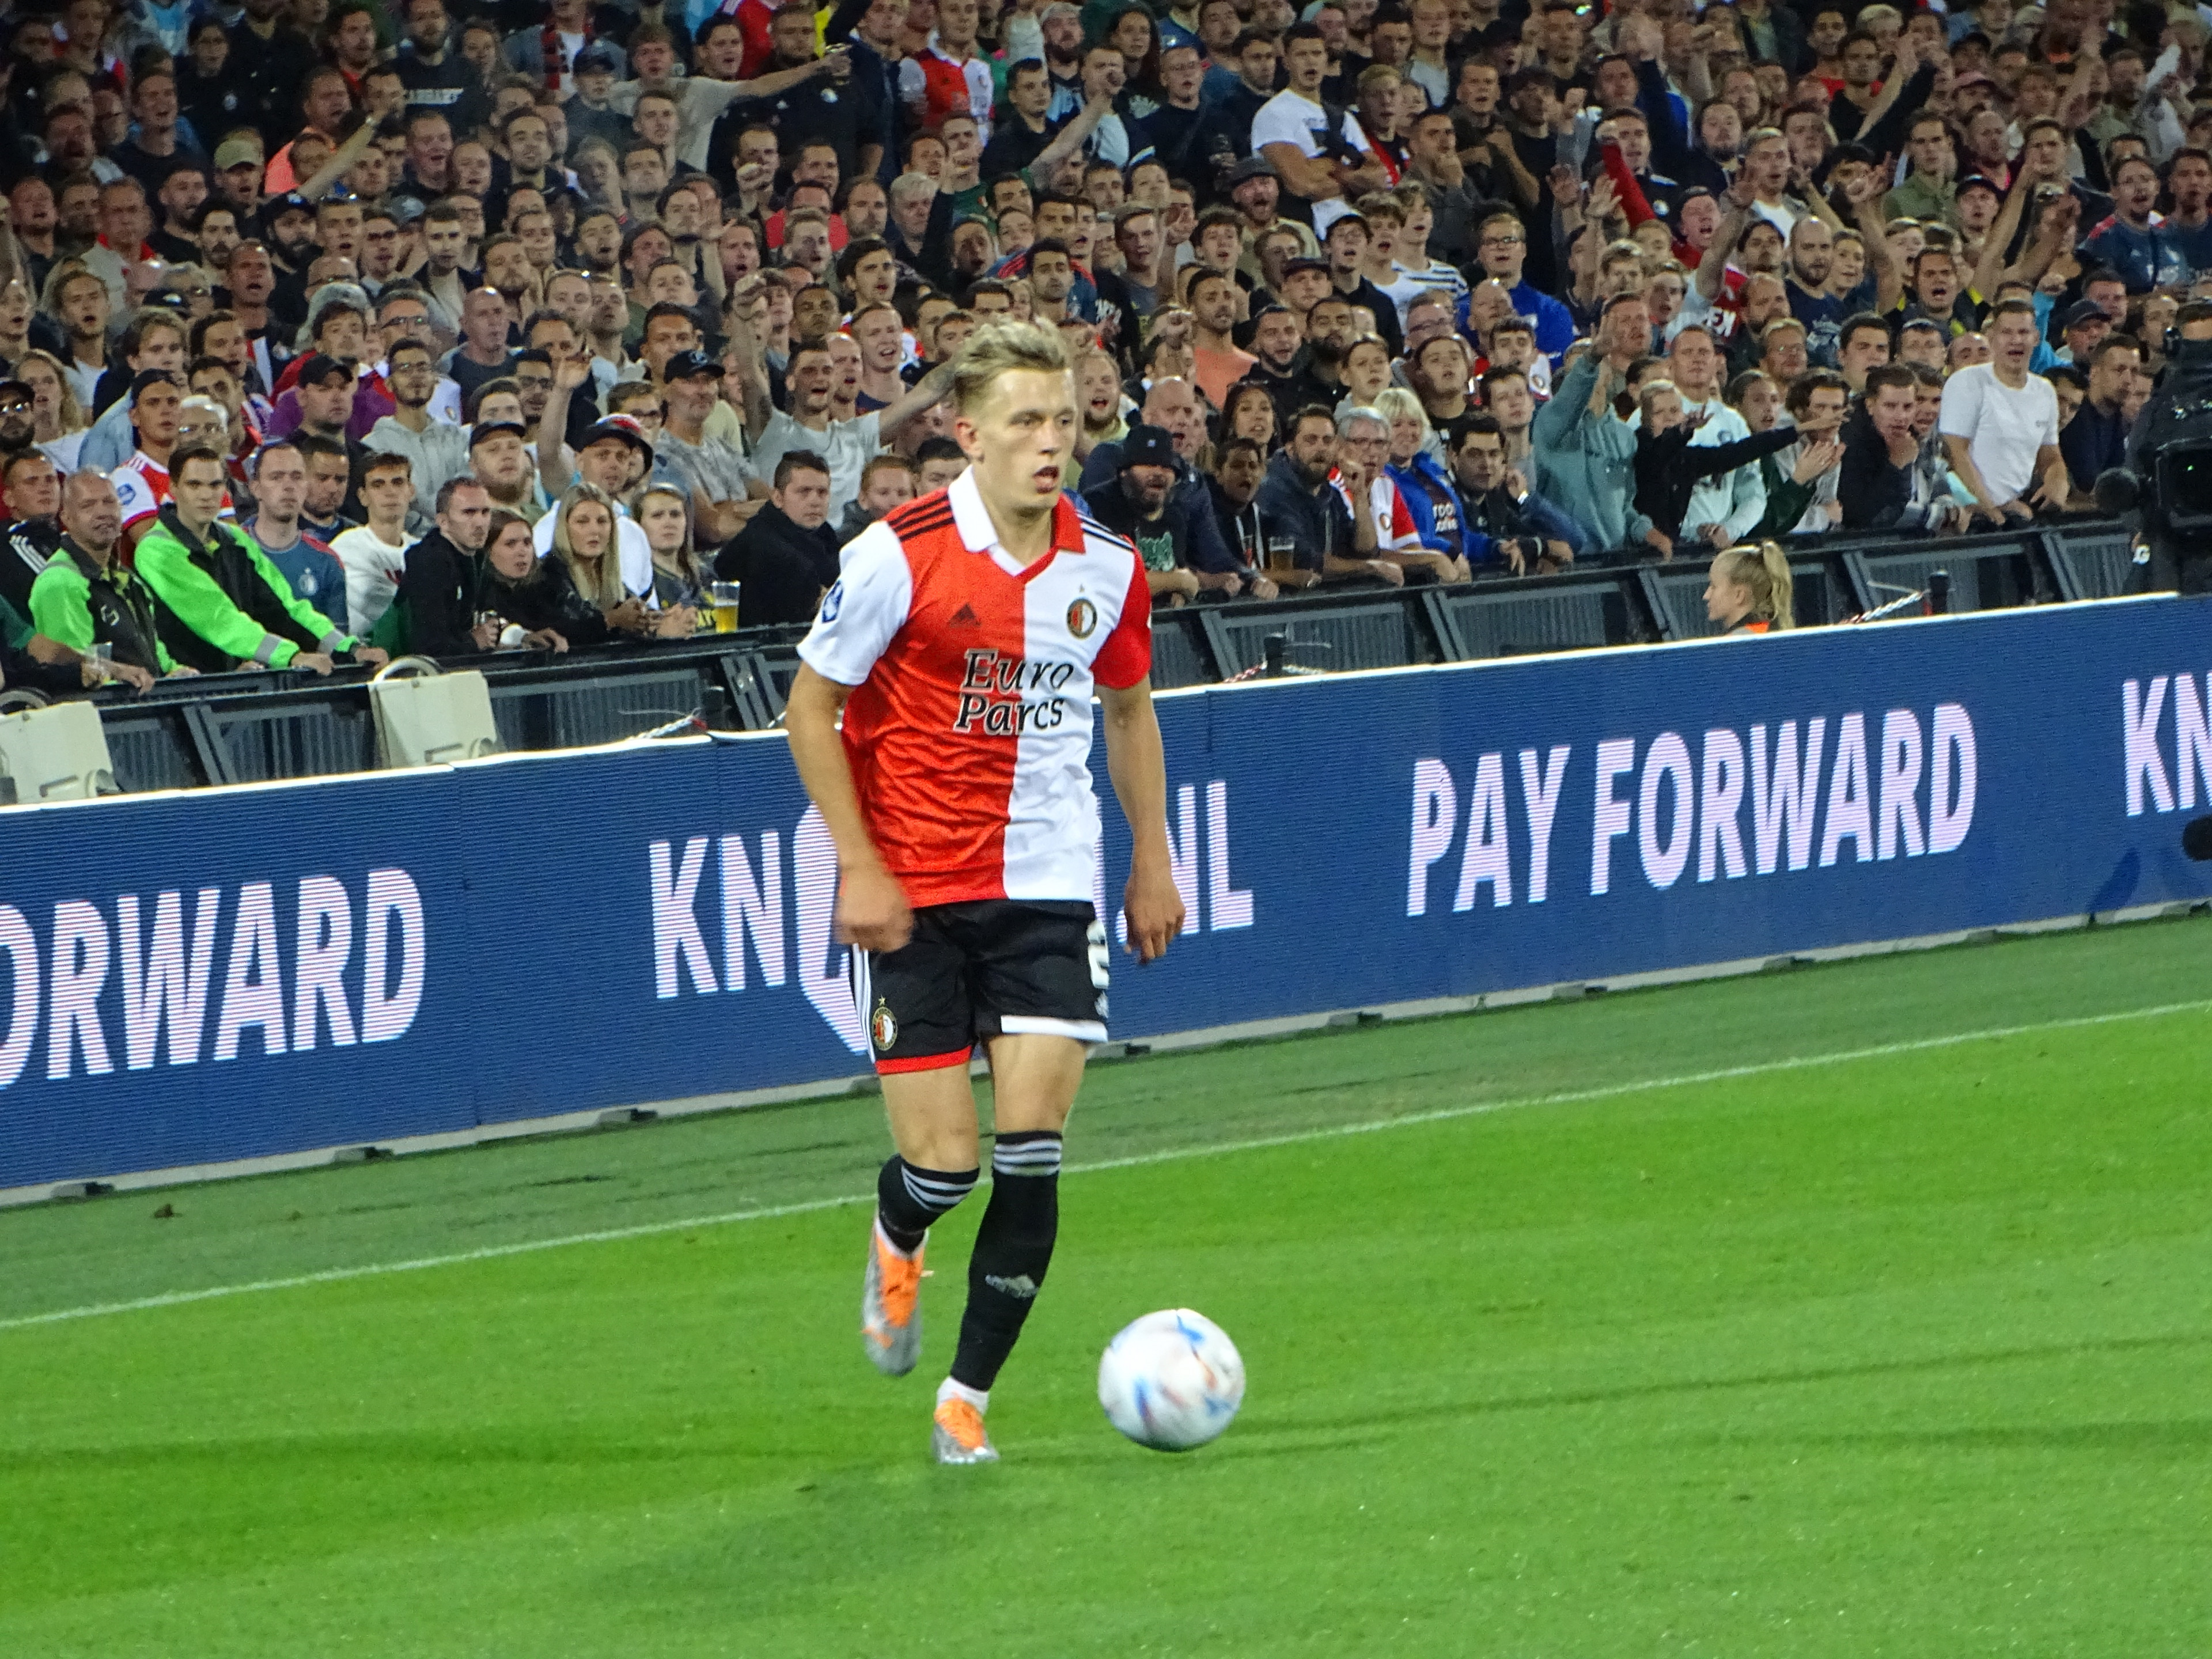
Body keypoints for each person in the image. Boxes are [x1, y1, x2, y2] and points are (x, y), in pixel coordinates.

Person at [782, 319, 1181, 1467]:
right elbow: (812, 709)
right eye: (1025, 422)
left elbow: (1129, 709)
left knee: (1035, 1147)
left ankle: (967, 1398)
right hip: (910, 889)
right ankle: (899, 1228)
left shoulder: (1107, 565)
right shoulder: (894, 554)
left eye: (1064, 421)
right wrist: (857, 862)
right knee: (945, 1165)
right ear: (967, 435)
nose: (1051, 443)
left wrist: (1151, 857)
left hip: (1049, 881)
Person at [134, 445, 387, 675]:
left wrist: (349, 650)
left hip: (234, 687)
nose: (206, 495)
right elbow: (218, 617)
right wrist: (291, 656)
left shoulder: (234, 540)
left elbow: (286, 607)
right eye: (194, 485)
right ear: (173, 488)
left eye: (215, 485)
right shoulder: (155, 549)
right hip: (181, 692)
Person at [29, 471, 195, 683]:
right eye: (88, 506)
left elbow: (154, 657)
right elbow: (77, 669)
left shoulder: (129, 580)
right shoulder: (60, 582)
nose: (102, 513)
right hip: (105, 712)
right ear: (66, 519)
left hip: (146, 705)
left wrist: (176, 672)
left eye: (109, 502)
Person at [715, 450, 841, 627]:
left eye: (822, 492)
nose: (815, 501)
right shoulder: (760, 542)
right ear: (778, 498)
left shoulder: (825, 534)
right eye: (804, 492)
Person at [1080, 423, 1202, 606]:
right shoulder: (1100, 504)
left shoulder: (1175, 514)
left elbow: (1179, 573)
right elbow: (1115, 582)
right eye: (1148, 464)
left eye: (1166, 466)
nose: (1158, 473)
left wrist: (1180, 593)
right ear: (1124, 471)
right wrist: (1178, 582)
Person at [242, 442, 351, 635]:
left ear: (306, 487)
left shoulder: (327, 561)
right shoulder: (231, 550)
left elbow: (338, 643)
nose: (288, 486)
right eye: (276, 477)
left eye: (297, 477)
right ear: (256, 488)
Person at [388, 478, 495, 657]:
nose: (480, 523)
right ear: (443, 522)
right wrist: (474, 642)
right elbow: (430, 646)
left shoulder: (477, 555)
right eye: (469, 513)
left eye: (485, 512)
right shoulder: (428, 562)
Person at [329, 451, 418, 632]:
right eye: (378, 485)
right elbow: (377, 605)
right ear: (363, 496)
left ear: (411, 491)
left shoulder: (421, 549)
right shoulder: (348, 547)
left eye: (398, 482)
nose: (390, 492)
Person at [1703, 541, 1796, 633]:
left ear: (1739, 595)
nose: (1706, 596)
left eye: (1714, 586)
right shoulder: (1775, 631)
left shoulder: (1736, 643)